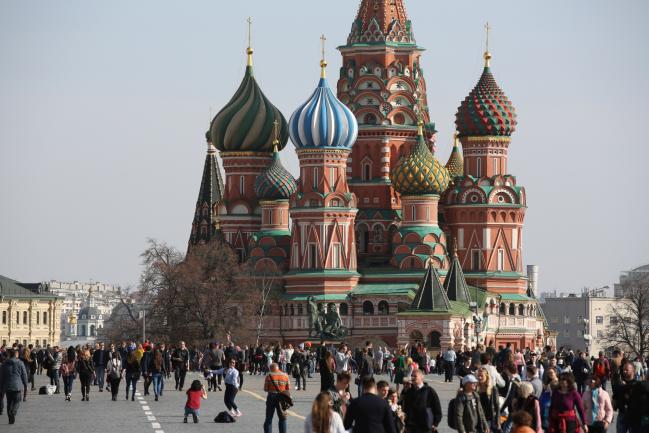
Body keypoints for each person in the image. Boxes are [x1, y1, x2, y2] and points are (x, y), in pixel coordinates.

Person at [402, 369, 443, 433]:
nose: (412, 378)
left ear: (422, 377)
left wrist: (435, 423)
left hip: (425, 426)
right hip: (411, 427)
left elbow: (437, 408)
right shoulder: (409, 391)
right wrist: (405, 423)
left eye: (415, 376)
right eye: (412, 376)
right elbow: (405, 408)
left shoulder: (429, 391)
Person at [0, 348, 28, 424]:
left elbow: (2, 376)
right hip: (17, 386)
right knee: (17, 401)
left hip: (7, 386)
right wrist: (26, 385)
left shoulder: (4, 364)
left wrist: (1, 388)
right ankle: (13, 412)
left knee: (9, 402)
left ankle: (10, 418)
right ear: (16, 354)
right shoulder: (20, 363)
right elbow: (24, 375)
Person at [264, 363, 291, 433]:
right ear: (278, 368)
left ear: (271, 369)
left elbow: (265, 389)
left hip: (271, 397)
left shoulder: (269, 376)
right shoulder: (285, 375)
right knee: (282, 418)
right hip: (282, 398)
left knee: (269, 418)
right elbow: (288, 388)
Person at [612, 362, 637, 433]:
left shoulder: (637, 385)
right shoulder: (619, 385)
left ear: (633, 370)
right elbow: (614, 399)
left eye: (627, 370)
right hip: (622, 415)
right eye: (623, 370)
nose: (624, 371)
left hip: (633, 416)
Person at [476, 367, 500, 433]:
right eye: (478, 376)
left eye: (481, 376)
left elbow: (497, 406)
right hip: (478, 418)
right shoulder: (476, 389)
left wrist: (498, 421)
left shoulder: (493, 389)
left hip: (489, 418)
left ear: (486, 376)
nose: (479, 377)